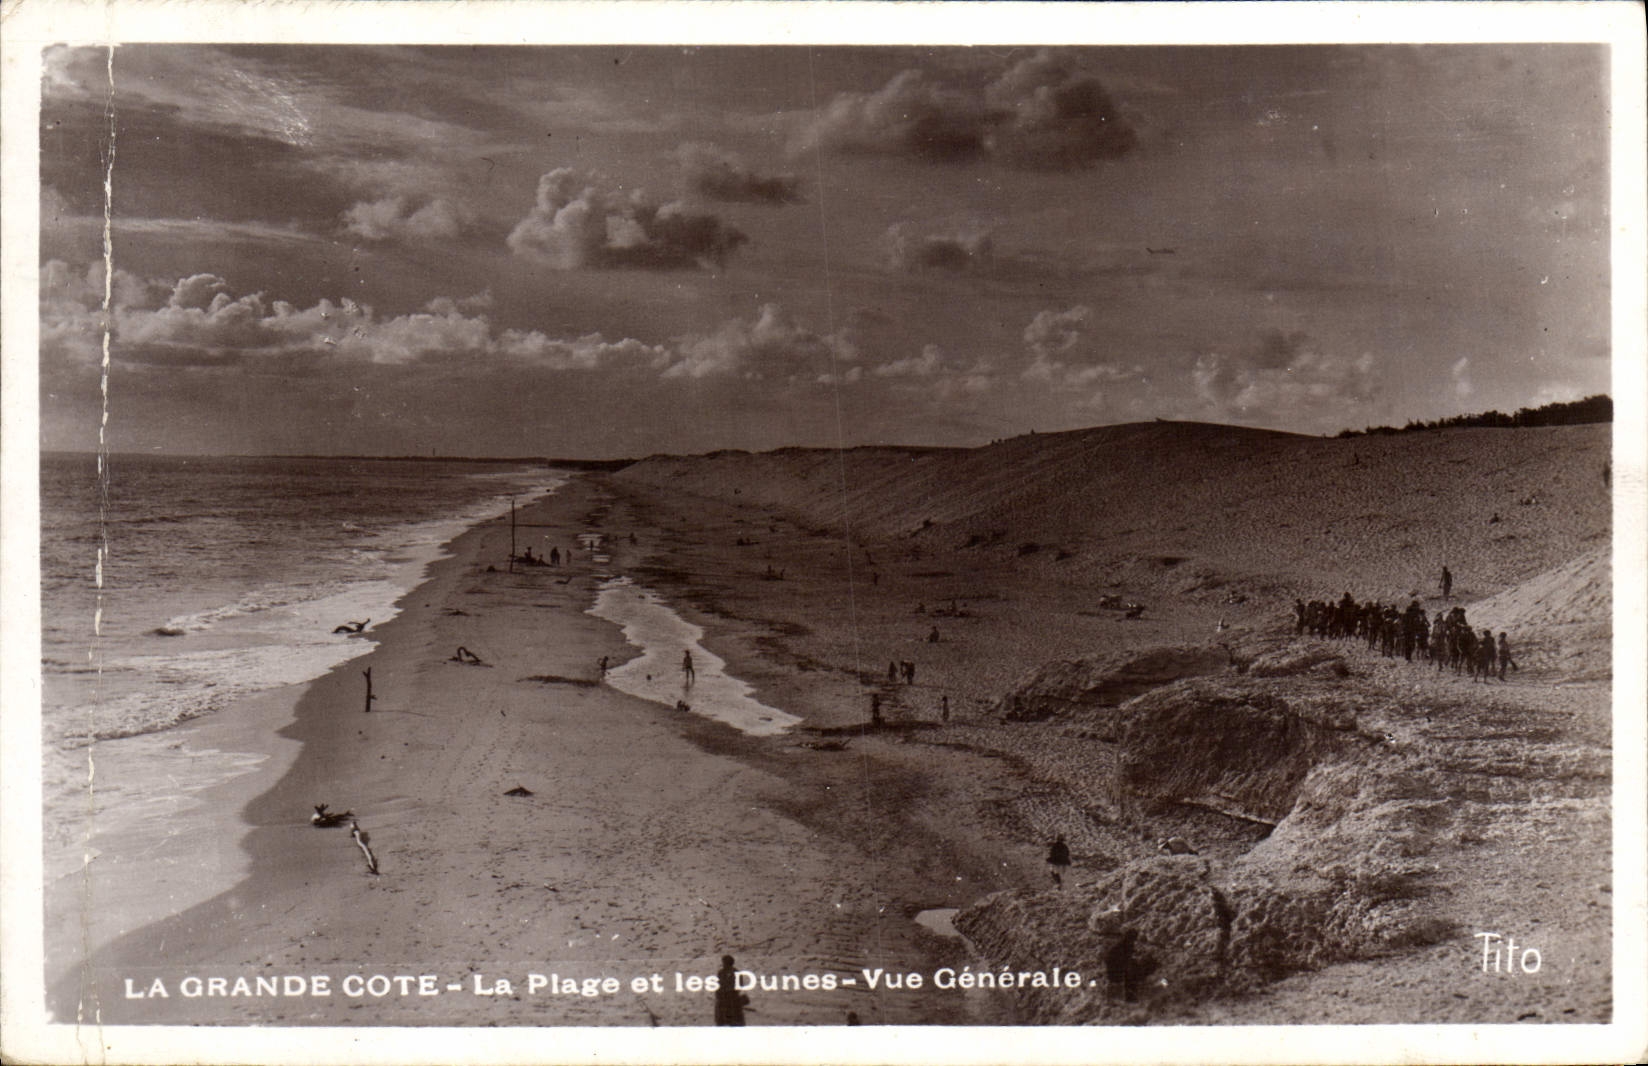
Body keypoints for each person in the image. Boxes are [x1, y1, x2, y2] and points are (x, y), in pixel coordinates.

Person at [714, 956, 746, 1026]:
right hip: (724, 999)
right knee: (723, 1020)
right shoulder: (721, 972)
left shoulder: (736, 973)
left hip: (732, 999)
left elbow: (739, 985)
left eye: (724, 962)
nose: (723, 964)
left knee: (734, 1020)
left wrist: (730, 991)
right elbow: (718, 985)